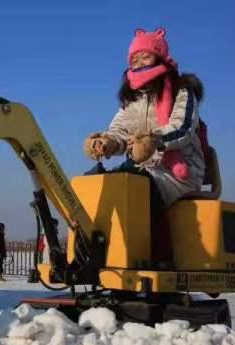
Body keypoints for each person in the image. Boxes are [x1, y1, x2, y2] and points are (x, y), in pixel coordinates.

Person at [83, 27, 205, 262]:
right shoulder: (132, 98)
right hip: (144, 166)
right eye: (134, 59)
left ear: (160, 57)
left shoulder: (182, 90)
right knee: (105, 182)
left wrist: (154, 141)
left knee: (140, 187)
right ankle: (106, 254)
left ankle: (160, 256)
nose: (138, 63)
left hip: (180, 169)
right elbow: (119, 132)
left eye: (145, 56)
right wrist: (107, 143)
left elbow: (183, 127)